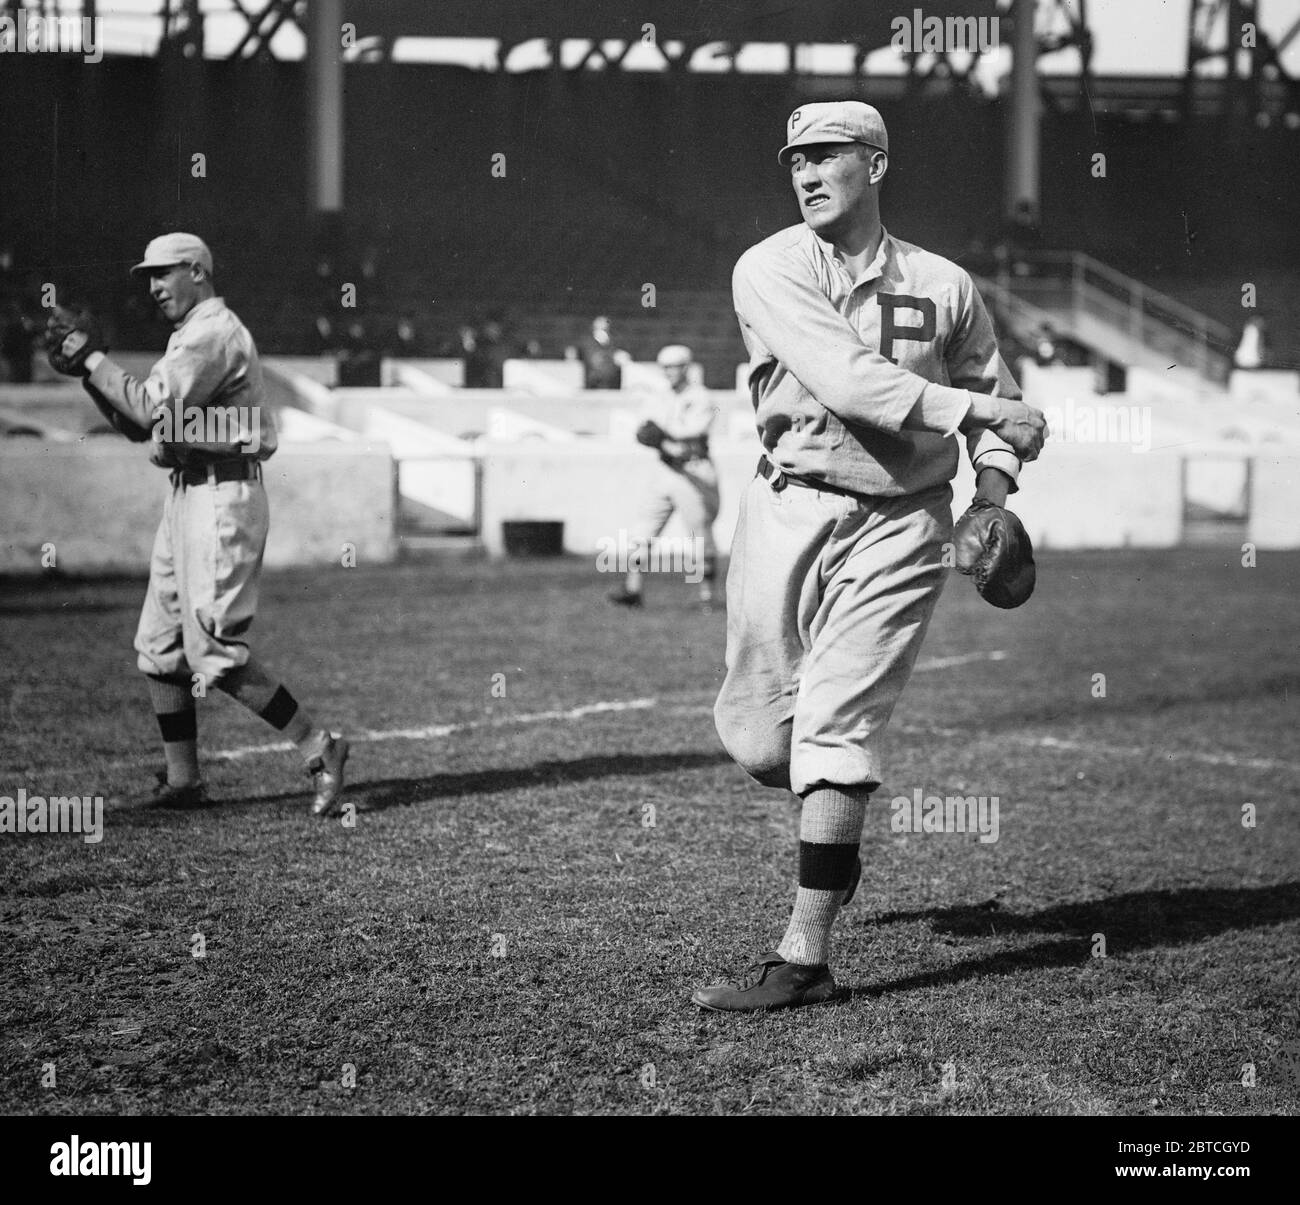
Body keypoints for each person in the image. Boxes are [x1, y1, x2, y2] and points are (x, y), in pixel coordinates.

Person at [695, 102, 1046, 1011]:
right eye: (795, 161)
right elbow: (852, 380)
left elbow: (992, 393)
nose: (806, 173)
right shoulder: (769, 266)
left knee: (835, 729)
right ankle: (831, 843)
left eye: (827, 157)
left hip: (903, 523)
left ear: (876, 164)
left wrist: (994, 498)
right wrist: (984, 418)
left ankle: (803, 955)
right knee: (758, 737)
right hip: (787, 506)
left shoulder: (946, 283)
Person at [44, 232, 349, 816]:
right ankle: (185, 781)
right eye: (148, 278)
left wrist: (92, 360)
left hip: (223, 495)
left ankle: (320, 746)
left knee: (212, 650)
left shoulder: (213, 333)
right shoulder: (189, 335)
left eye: (163, 273)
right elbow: (144, 427)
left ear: (198, 271)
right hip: (188, 492)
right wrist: (89, 375)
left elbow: (151, 408)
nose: (154, 287)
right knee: (160, 649)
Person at [607, 344, 720, 610]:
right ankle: (633, 590)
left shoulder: (700, 396)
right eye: (665, 367)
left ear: (686, 368)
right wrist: (658, 436)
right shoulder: (661, 395)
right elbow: (645, 429)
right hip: (665, 468)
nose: (670, 372)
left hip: (693, 468)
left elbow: (690, 432)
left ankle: (707, 596)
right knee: (643, 531)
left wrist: (661, 433)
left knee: (700, 535)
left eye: (675, 366)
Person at [567, 315, 629, 389]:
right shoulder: (585, 342)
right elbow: (573, 354)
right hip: (592, 383)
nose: (601, 326)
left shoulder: (615, 341)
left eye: (604, 324)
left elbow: (624, 356)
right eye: (599, 323)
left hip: (612, 383)